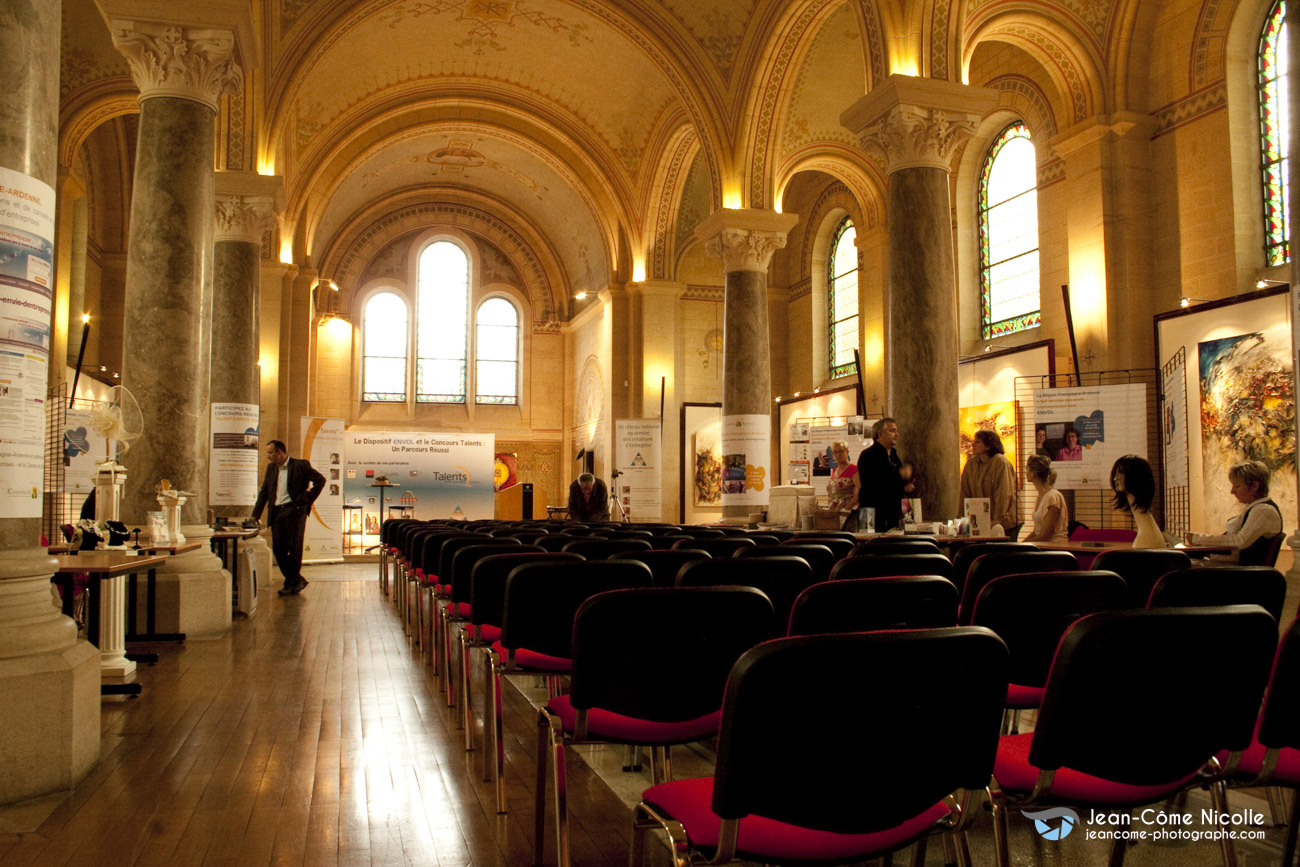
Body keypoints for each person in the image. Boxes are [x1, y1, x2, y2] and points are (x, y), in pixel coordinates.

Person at [252, 439, 326, 595]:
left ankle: (290, 583)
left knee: (295, 549)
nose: (268, 456)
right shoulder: (271, 468)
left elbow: (320, 480)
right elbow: (264, 492)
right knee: (278, 549)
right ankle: (296, 580)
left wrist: (306, 499)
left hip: (294, 512)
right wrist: (255, 515)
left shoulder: (300, 465)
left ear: (279, 452)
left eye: (270, 452)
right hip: (277, 512)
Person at [1187, 460, 1283, 564]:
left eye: (1237, 486)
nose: (1232, 491)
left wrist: (1198, 539)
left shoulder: (1264, 511)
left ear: (1255, 486)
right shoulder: (1255, 508)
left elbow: (1239, 541)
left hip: (1244, 574)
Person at [959, 429, 1020, 537]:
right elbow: (964, 493)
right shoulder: (971, 463)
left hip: (1006, 521)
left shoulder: (1000, 462)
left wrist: (997, 520)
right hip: (983, 522)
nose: (973, 444)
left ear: (988, 446)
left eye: (978, 442)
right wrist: (962, 519)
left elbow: (1003, 494)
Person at [856, 418, 913, 533]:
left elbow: (896, 483)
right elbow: (874, 484)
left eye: (897, 431)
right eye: (892, 431)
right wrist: (899, 475)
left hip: (893, 512)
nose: (897, 434)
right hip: (871, 512)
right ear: (880, 434)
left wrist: (905, 484)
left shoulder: (893, 456)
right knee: (872, 547)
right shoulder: (868, 455)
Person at [1110, 455, 1165, 548]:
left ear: (1135, 476)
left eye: (1121, 472)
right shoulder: (1148, 532)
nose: (1116, 478)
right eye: (1116, 473)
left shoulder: (1147, 538)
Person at [1023, 455, 1069, 543]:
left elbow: (1045, 535)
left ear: (1033, 474)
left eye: (1027, 469)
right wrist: (1019, 545)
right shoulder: (1041, 496)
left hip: (1054, 546)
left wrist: (1025, 546)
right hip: (1042, 545)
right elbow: (1036, 532)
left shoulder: (1052, 497)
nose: (1025, 473)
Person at [825, 440, 861, 513]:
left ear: (847, 452)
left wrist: (847, 508)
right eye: (835, 452)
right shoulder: (834, 470)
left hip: (848, 513)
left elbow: (861, 491)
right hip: (834, 514)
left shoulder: (853, 469)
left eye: (841, 451)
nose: (838, 455)